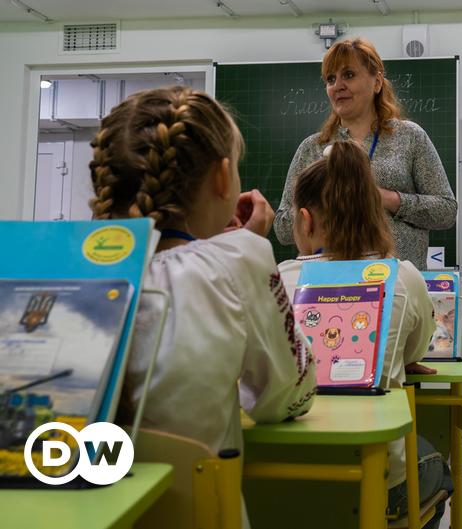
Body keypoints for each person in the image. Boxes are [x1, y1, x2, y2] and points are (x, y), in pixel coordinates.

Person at [90, 86, 317, 465]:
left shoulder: (67, 271)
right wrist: (243, 248)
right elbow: (290, 394)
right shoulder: (238, 258)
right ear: (224, 177)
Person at [277, 140, 452, 529]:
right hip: (375, 483)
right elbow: (415, 350)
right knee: (437, 465)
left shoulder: (277, 279)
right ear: (375, 216)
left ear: (305, 220)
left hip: (278, 477)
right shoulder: (403, 276)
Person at [274, 37, 457, 270]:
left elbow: (446, 211)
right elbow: (281, 227)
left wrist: (387, 198)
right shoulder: (312, 148)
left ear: (377, 82)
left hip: (397, 286)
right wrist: (326, 203)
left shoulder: (410, 137)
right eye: (331, 79)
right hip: (330, 288)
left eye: (348, 75)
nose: (338, 85)